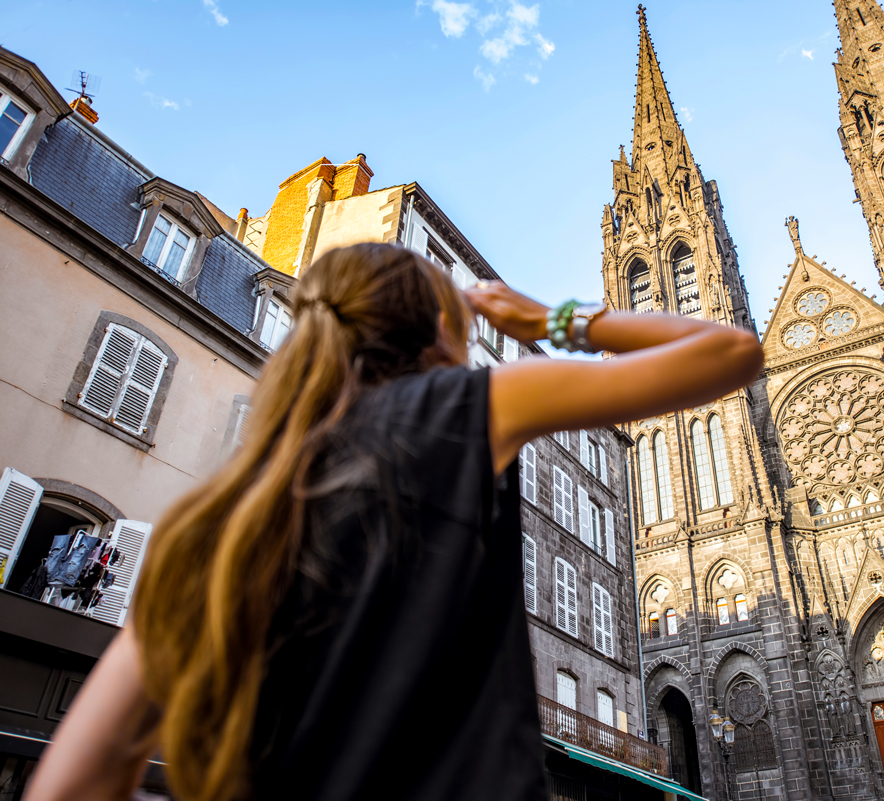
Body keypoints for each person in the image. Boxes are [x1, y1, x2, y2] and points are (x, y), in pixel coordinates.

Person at [25, 243, 763, 801]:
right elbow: (728, 351)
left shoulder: (222, 518)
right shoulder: (464, 407)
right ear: (442, 334)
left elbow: (70, 782)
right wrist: (549, 319)